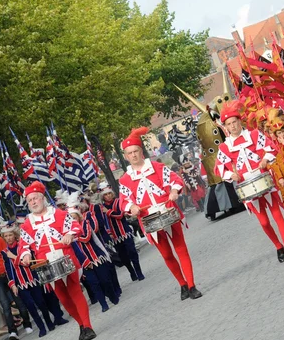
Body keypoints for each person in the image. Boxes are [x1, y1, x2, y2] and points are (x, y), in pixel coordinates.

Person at [118, 127, 203, 300]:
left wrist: (173, 191)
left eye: (135, 151)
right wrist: (132, 207)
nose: (133, 155)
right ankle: (182, 284)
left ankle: (192, 285)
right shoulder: (125, 179)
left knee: (181, 249)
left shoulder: (156, 167)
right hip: (149, 220)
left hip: (168, 212)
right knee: (166, 255)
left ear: (141, 152)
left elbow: (176, 180)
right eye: (129, 153)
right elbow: (123, 201)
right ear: (126, 156)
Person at [215, 101, 284, 263]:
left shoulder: (253, 135)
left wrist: (265, 160)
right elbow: (218, 169)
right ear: (225, 127)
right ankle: (278, 246)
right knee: (264, 222)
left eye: (234, 122)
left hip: (263, 180)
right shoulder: (224, 147)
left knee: (277, 215)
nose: (233, 126)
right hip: (246, 187)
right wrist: (232, 174)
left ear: (240, 122)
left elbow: (270, 148)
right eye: (229, 124)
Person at [19, 181, 97, 340]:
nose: (33, 202)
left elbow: (77, 227)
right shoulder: (27, 225)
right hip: (45, 264)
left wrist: (69, 234)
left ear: (42, 198)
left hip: (66, 257)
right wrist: (25, 255)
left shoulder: (59, 214)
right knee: (63, 298)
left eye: (35, 198)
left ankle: (88, 326)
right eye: (30, 200)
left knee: (75, 291)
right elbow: (23, 246)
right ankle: (81, 324)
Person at [0, 222, 55, 337]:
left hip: (32, 278)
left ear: (14, 235)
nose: (8, 238)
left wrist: (14, 257)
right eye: (6, 236)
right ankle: (41, 327)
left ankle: (49, 322)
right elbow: (8, 270)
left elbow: (26, 263)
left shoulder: (22, 246)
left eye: (10, 235)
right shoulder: (5, 253)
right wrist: (12, 285)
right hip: (20, 284)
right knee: (30, 306)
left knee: (41, 302)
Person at [66, 197, 119, 312]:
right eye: (70, 219)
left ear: (78, 217)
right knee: (94, 284)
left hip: (96, 256)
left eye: (74, 218)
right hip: (83, 261)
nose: (73, 221)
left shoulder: (85, 223)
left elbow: (86, 238)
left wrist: (74, 237)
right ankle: (103, 304)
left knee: (104, 280)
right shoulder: (67, 233)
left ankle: (112, 296)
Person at [99, 182, 145, 281]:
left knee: (132, 252)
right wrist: (108, 232)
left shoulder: (118, 202)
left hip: (124, 231)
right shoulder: (101, 207)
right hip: (114, 236)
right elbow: (103, 222)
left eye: (109, 193)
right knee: (123, 256)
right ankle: (131, 271)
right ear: (102, 196)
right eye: (105, 195)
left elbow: (120, 215)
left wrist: (108, 212)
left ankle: (139, 272)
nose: (108, 196)